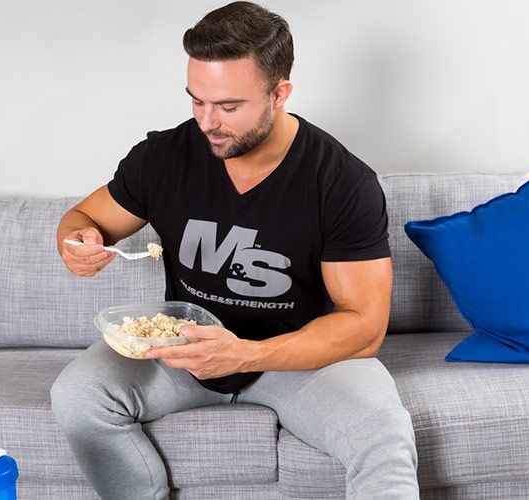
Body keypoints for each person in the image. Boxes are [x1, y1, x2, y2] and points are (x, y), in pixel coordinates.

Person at [50, 2, 419, 499]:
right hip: (181, 350)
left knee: (384, 434)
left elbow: (364, 328)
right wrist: (77, 242)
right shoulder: (164, 157)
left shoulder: (341, 181)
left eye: (228, 107)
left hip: (298, 357)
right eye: (196, 101)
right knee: (76, 397)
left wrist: (246, 353)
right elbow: (84, 219)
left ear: (279, 93)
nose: (207, 122)